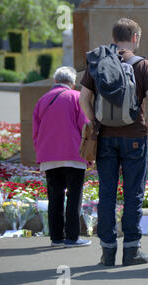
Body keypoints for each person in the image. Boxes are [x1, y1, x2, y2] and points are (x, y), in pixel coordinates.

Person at [79, 18, 148, 266]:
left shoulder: (98, 60)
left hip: (105, 137)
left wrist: (95, 123)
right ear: (135, 38)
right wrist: (145, 129)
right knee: (133, 194)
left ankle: (107, 251)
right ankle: (131, 251)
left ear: (114, 38)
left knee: (107, 193)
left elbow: (83, 99)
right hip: (134, 136)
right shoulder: (142, 65)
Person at [32, 66, 91, 248]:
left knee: (55, 198)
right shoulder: (76, 97)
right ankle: (72, 237)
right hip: (74, 154)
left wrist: (41, 153)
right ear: (72, 83)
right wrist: (90, 154)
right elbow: (85, 126)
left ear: (55, 81)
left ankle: (56, 238)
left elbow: (36, 132)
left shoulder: (42, 100)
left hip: (49, 157)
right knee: (74, 197)